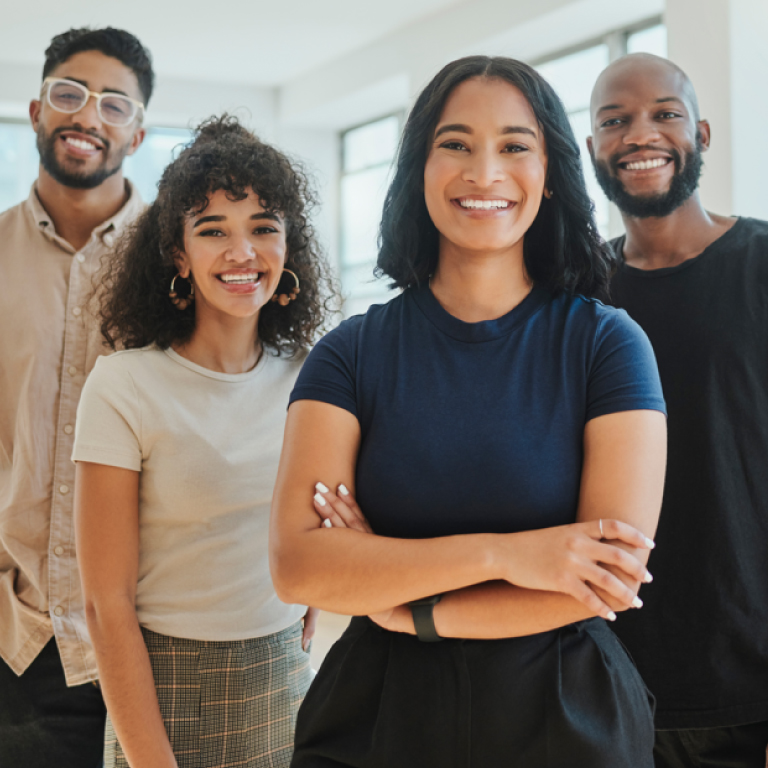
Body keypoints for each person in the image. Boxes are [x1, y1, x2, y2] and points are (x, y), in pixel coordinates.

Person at [270, 55, 667, 768]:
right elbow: (300, 566)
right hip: (375, 716)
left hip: (562, 718)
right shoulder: (351, 354)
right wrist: (510, 554)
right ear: (418, 167)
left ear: (549, 173)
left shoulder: (607, 345)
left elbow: (606, 577)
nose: (484, 173)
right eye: (454, 144)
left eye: (514, 146)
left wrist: (408, 605)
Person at [72, 115, 335, 768]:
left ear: (289, 248)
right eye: (213, 230)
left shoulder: (314, 376)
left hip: (284, 679)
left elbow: (334, 515)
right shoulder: (123, 384)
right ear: (177, 254)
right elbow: (106, 606)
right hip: (161, 689)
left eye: (263, 229)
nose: (242, 253)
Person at [588, 53, 768, 768]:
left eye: (665, 113)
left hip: (746, 685)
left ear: (703, 132)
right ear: (593, 147)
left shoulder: (760, 264)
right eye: (615, 120)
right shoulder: (575, 293)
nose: (641, 134)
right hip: (605, 680)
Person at [0, 27, 151, 768]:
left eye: (113, 104)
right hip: (13, 638)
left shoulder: (181, 263)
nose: (88, 117)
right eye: (69, 95)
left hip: (149, 635)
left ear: (138, 131)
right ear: (36, 110)